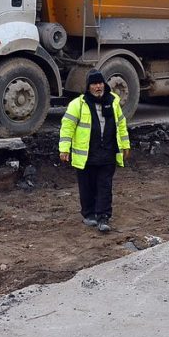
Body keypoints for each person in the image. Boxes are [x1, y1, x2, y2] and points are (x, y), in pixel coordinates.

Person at [59, 68, 131, 233]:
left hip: (108, 153)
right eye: (94, 84)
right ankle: (89, 214)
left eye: (100, 83)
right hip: (86, 155)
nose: (98, 87)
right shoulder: (78, 104)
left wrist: (126, 145)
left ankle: (103, 217)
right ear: (88, 87)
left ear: (104, 84)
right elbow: (67, 127)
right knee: (87, 186)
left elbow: (121, 125)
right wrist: (64, 149)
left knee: (105, 186)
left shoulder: (113, 102)